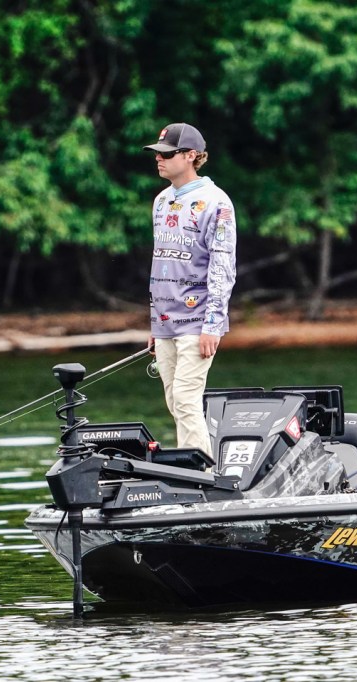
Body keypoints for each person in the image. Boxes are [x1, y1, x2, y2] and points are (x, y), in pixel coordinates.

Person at [144, 122, 236, 460]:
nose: (159, 159)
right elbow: (160, 264)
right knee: (176, 401)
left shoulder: (217, 202)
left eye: (167, 154)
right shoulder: (161, 201)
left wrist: (213, 324)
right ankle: (199, 464)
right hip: (165, 321)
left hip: (198, 321)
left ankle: (199, 477)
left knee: (185, 399)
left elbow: (222, 267)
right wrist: (155, 323)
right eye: (158, 154)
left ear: (191, 156)